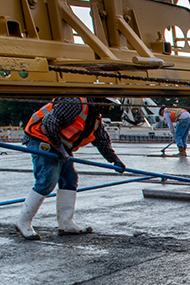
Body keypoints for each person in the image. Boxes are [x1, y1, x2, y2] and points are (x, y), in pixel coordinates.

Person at [16, 97, 126, 240]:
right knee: (47, 179)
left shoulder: (94, 118)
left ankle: (66, 223)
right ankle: (23, 222)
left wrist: (114, 160)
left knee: (70, 179)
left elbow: (101, 140)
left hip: (60, 145)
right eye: (109, 104)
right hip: (42, 138)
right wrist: (60, 149)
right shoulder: (75, 103)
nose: (110, 108)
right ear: (100, 100)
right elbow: (50, 122)